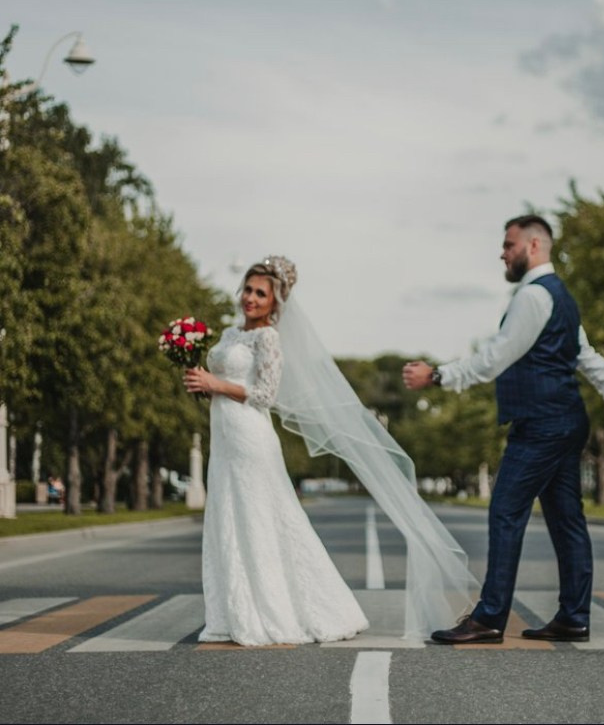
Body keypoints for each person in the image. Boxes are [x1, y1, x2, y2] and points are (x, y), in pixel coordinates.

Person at [184, 256, 476, 646]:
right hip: (223, 437)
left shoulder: (268, 338)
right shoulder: (227, 334)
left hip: (251, 439)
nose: (251, 298)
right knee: (228, 518)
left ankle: (285, 611)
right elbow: (224, 382)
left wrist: (217, 385)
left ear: (275, 303)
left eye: (260, 293)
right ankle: (233, 611)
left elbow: (265, 395)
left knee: (261, 518)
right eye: (248, 290)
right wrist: (205, 386)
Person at [403, 215, 604, 644]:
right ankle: (573, 617)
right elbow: (587, 357)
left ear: (534, 246)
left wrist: (439, 376)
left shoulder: (534, 297)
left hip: (542, 424)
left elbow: (495, 357)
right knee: (566, 521)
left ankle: (489, 618)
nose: (502, 252)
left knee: (506, 511)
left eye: (509, 244)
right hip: (566, 419)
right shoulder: (562, 297)